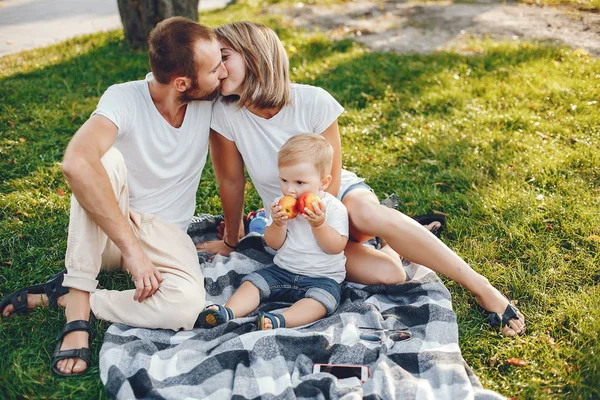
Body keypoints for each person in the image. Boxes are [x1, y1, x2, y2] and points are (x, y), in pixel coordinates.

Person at [201, 21, 525, 337]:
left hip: (338, 197)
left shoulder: (313, 101)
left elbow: (334, 180)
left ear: (255, 56)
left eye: (224, 56)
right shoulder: (226, 115)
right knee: (390, 274)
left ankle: (481, 287)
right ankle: (394, 242)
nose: (218, 68)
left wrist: (332, 226)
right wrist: (233, 239)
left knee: (369, 215)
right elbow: (231, 181)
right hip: (297, 224)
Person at [0, 16, 228, 376]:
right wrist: (132, 252)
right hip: (110, 228)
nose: (224, 73)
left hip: (166, 234)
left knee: (184, 308)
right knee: (101, 163)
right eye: (215, 68)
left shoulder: (211, 100)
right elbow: (75, 163)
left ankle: (68, 296)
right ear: (183, 83)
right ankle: (77, 311)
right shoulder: (124, 97)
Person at [197, 134, 360, 330]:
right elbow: (273, 243)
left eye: (299, 183)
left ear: (323, 183)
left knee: (321, 302)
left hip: (322, 278)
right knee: (253, 283)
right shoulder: (279, 205)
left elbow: (336, 247)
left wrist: (319, 225)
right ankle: (227, 311)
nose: (290, 190)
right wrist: (278, 224)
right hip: (283, 271)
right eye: (284, 180)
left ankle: (279, 320)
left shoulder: (332, 209)